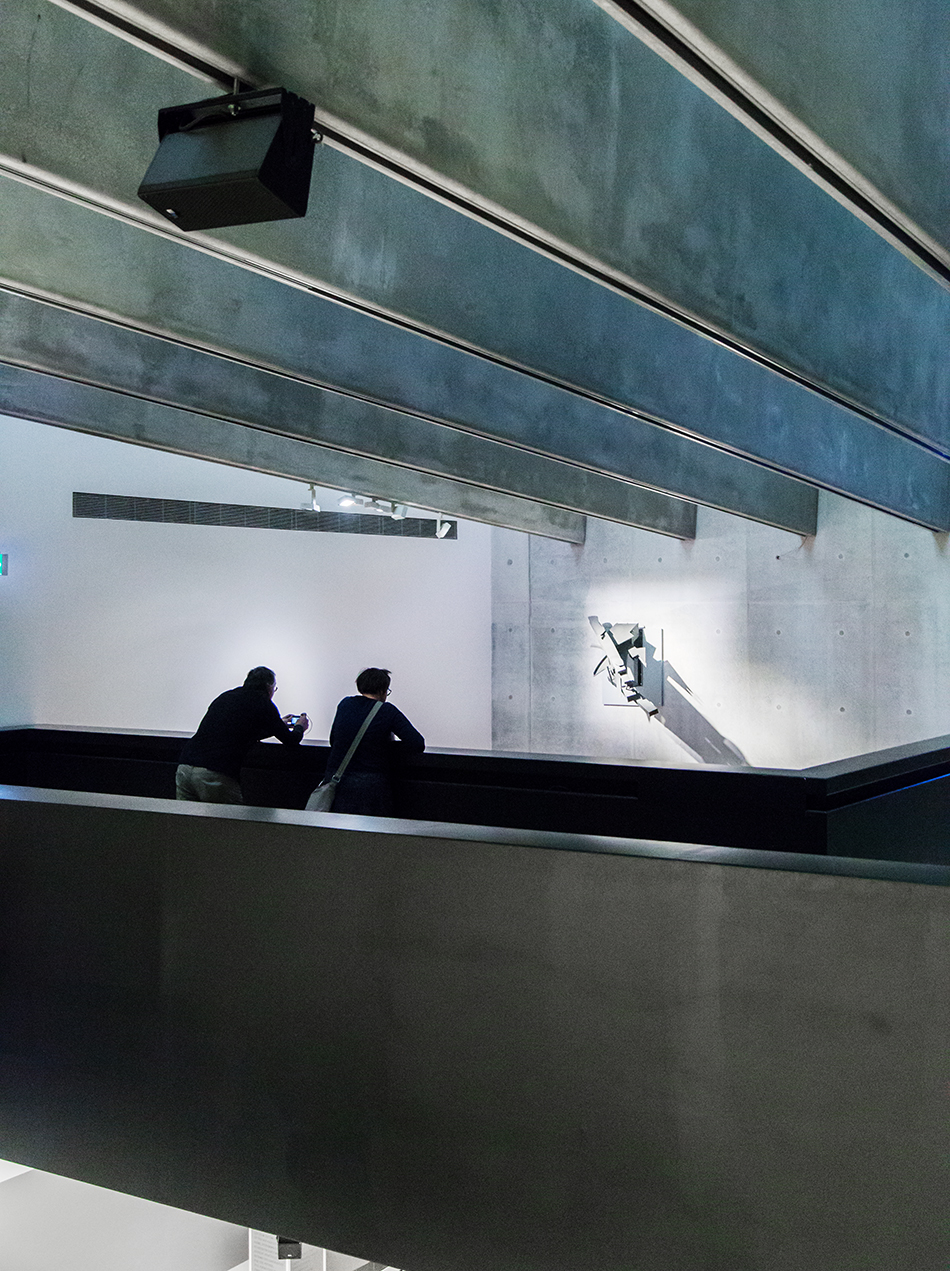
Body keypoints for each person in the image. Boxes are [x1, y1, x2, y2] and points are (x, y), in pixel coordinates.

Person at [176, 666, 310, 804]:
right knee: (232, 824)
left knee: (188, 823)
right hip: (215, 773)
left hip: (185, 768)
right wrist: (300, 726)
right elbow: (291, 741)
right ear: (269, 686)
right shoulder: (263, 703)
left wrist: (278, 724)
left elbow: (239, 731)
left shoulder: (226, 697)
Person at [322, 667, 424, 816]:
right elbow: (417, 743)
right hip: (370, 785)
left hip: (338, 781)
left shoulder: (345, 704)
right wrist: (384, 747)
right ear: (383, 690)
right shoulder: (387, 710)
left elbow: (334, 740)